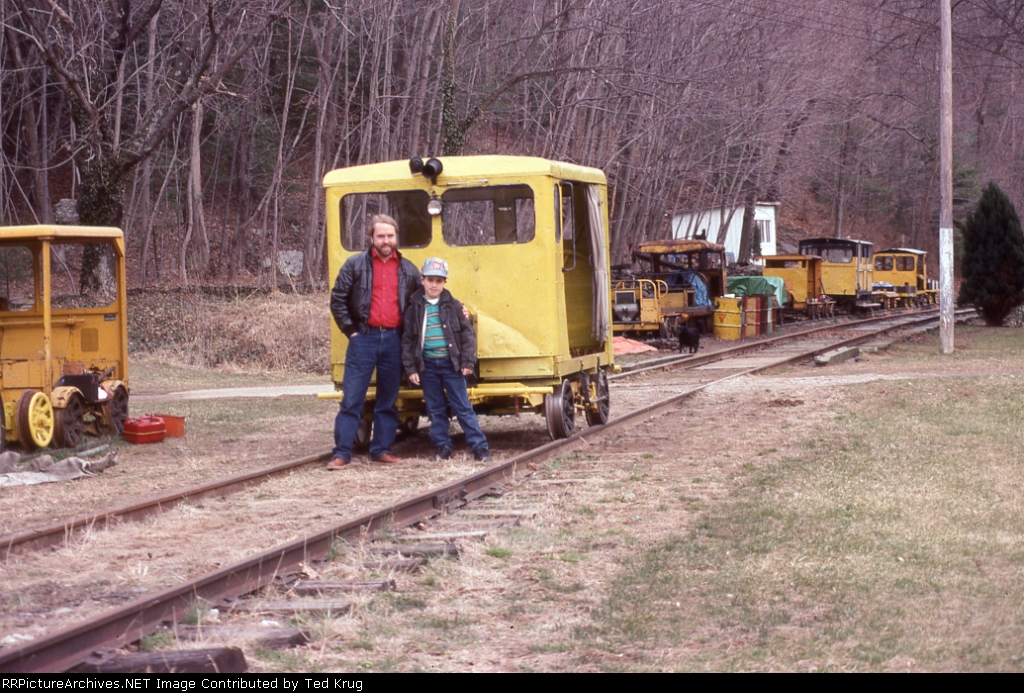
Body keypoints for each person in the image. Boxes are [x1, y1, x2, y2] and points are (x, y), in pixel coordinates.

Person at [327, 214, 420, 469]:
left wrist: (457, 309)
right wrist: (352, 331)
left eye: (390, 236)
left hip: (394, 341)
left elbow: (422, 304)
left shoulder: (409, 270)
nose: (386, 240)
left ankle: (381, 449)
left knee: (387, 400)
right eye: (381, 236)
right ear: (371, 238)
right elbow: (338, 300)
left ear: (396, 238)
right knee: (352, 398)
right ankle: (341, 453)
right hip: (363, 339)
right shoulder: (354, 265)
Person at [401, 257, 491, 462]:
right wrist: (412, 369)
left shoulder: (454, 305)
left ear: (445, 282)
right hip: (427, 367)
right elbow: (407, 340)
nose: (434, 285)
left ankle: (480, 448)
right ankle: (442, 447)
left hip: (452, 366)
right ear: (422, 280)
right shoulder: (414, 307)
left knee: (463, 407)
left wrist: (468, 363)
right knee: (435, 408)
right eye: (430, 280)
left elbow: (467, 336)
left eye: (439, 281)